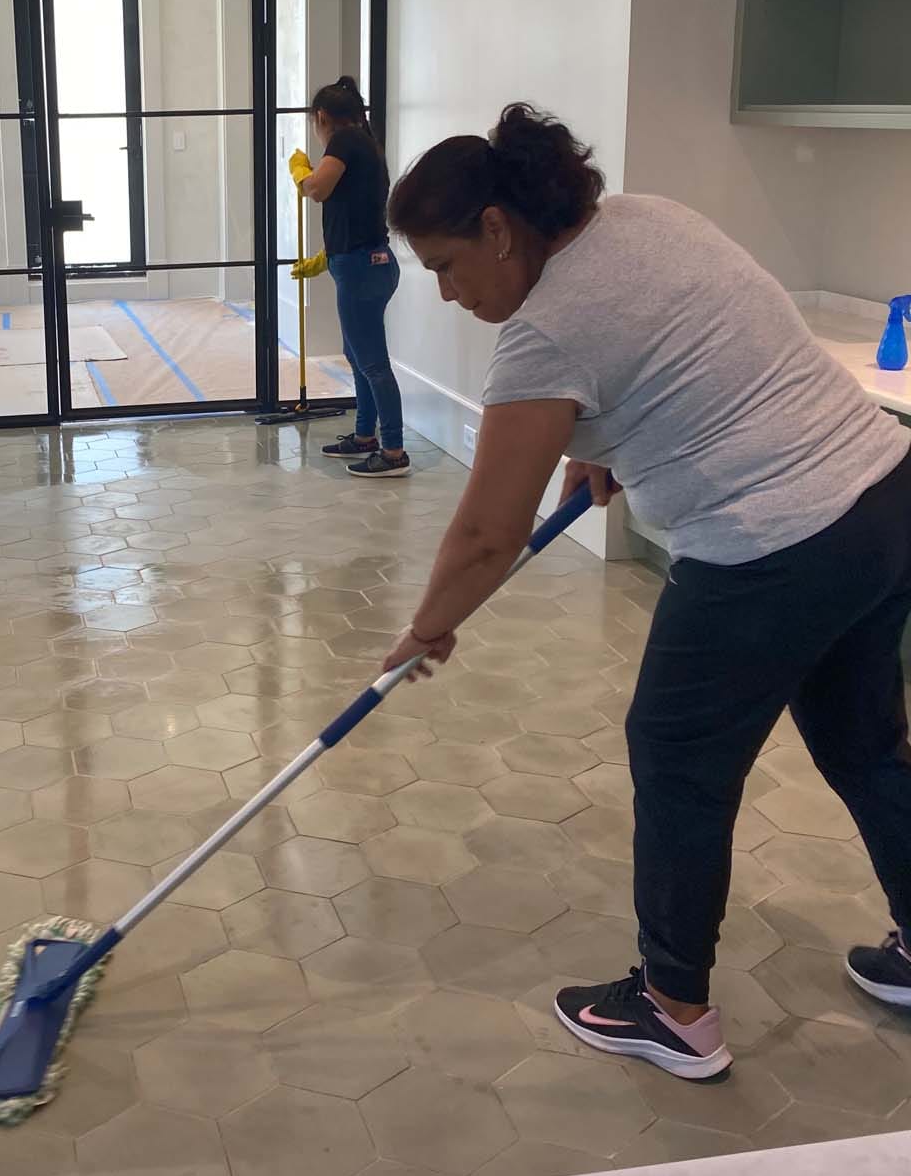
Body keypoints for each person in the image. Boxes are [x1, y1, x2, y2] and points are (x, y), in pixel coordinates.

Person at [377, 102, 911, 1080]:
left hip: (774, 541)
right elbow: (694, 359)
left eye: (447, 264)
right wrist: (612, 449)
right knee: (865, 743)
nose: (447, 293)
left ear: (499, 229)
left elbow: (489, 533)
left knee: (674, 751)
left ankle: (673, 1006)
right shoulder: (643, 219)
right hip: (881, 499)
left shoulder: (548, 331)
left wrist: (429, 629)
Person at [289, 76, 409, 477]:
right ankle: (364, 437)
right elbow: (354, 209)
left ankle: (393, 452)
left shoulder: (344, 140)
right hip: (365, 261)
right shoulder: (364, 142)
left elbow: (319, 189)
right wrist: (330, 254)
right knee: (359, 357)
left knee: (373, 363)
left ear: (322, 116)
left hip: (360, 266)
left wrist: (302, 174)